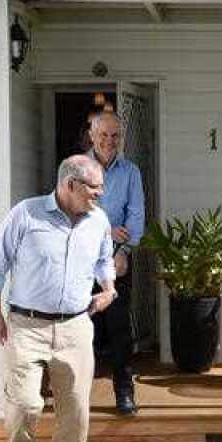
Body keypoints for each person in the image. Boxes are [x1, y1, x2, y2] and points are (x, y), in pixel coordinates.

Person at [0, 154, 116, 442]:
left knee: (75, 411)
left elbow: (105, 260)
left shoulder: (98, 220)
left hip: (76, 326)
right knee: (25, 402)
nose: (100, 194)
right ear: (70, 184)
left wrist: (108, 288)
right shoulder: (25, 215)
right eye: (94, 188)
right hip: (27, 325)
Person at [86, 108, 145, 415]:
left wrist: (123, 251)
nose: (109, 141)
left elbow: (136, 217)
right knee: (82, 329)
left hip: (116, 259)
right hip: (80, 261)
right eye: (103, 135)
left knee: (120, 329)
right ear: (91, 135)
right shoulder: (75, 168)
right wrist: (107, 228)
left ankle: (124, 393)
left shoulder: (130, 172)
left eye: (115, 135)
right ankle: (77, 396)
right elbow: (70, 213)